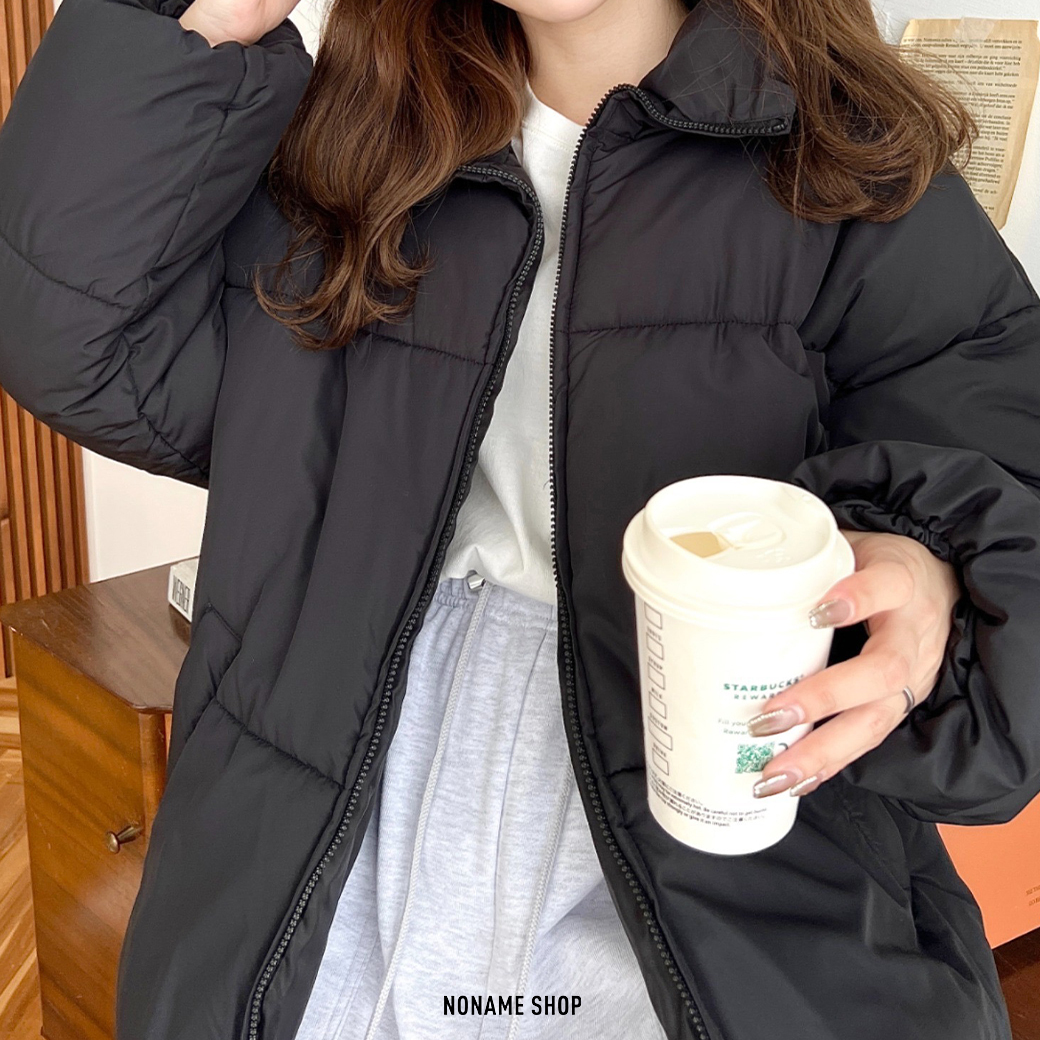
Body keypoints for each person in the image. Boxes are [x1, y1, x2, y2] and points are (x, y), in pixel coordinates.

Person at [0, 0, 1038, 1037]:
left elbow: (1001, 500)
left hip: (707, 910)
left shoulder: (855, 172)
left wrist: (936, 574)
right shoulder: (341, 153)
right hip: (309, 902)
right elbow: (77, 342)